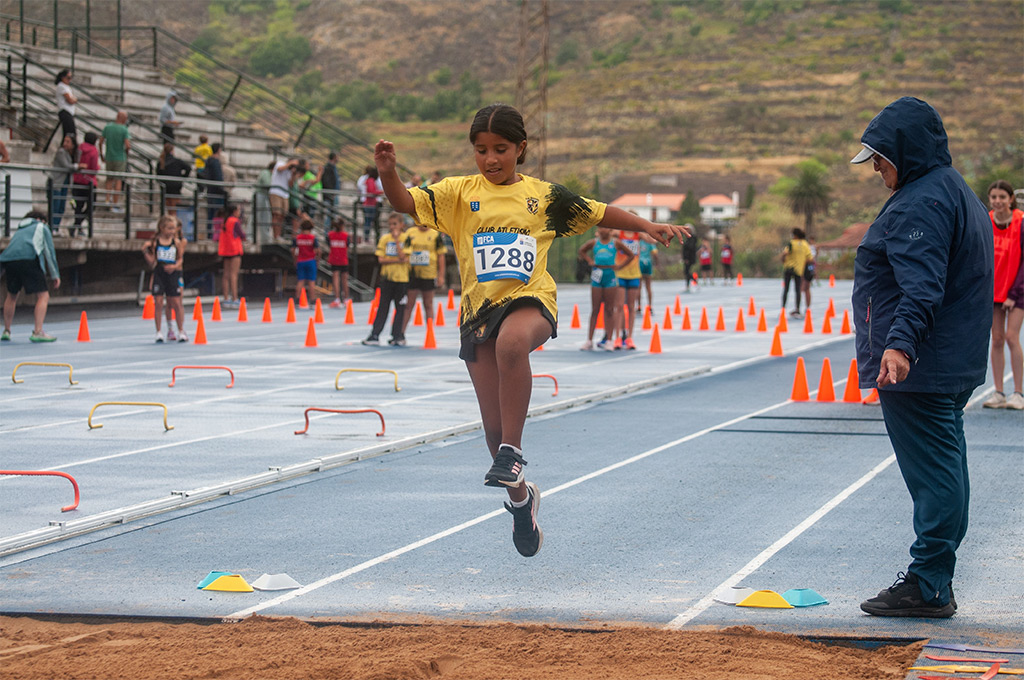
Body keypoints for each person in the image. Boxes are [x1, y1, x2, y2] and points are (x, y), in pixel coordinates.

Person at [373, 103, 688, 557]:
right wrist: (388, 172)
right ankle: (522, 502)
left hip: (531, 301)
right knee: (491, 429)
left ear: (521, 148)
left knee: (513, 342)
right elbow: (405, 202)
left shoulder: (544, 197)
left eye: (500, 149)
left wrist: (647, 225)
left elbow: (599, 213)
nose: (490, 159)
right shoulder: (459, 194)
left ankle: (513, 452)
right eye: (481, 150)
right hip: (479, 312)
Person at [850, 97, 992, 618]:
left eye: (881, 161)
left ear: (903, 153)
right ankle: (934, 575)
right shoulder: (955, 191)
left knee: (935, 475)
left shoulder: (920, 202)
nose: (877, 173)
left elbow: (922, 286)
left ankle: (930, 583)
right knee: (948, 466)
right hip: (950, 360)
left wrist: (899, 343)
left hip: (922, 365)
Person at [982, 180, 1024, 410]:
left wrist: (1014, 293)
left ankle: (1018, 393)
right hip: (994, 291)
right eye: (994, 197)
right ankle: (999, 392)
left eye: (1002, 197)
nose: (998, 201)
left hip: (1019, 290)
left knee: (1011, 337)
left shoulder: (1021, 222)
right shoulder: (986, 221)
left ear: (1010, 199)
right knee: (996, 339)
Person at [1, 211, 61, 342]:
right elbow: (49, 252)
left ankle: (6, 330)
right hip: (29, 259)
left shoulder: (20, 230)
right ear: (40, 219)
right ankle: (38, 331)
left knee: (11, 295)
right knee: (43, 296)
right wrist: (55, 274)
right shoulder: (42, 227)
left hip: (9, 261)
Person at [578, 225, 635, 351]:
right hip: (597, 274)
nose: (602, 230)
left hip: (610, 275)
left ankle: (609, 339)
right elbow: (581, 250)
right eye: (600, 228)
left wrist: (619, 266)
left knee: (610, 309)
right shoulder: (594, 242)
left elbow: (630, 254)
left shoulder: (615, 243)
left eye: (604, 228)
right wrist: (589, 260)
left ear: (610, 230)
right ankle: (589, 340)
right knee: (595, 309)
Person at [362, 213, 411, 346]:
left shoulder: (406, 238)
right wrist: (396, 260)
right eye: (390, 224)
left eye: (395, 224)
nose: (392, 227)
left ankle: (397, 336)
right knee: (383, 307)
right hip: (387, 279)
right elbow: (381, 259)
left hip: (401, 279)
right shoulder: (384, 239)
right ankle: (375, 335)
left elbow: (404, 257)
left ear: (401, 225)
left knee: (400, 308)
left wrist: (396, 241)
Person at [142, 214, 188, 343]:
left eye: (173, 229)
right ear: (162, 228)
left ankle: (181, 330)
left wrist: (174, 266)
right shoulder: (155, 242)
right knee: (158, 302)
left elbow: (180, 259)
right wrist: (145, 252)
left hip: (172, 274)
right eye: (169, 228)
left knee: (176, 302)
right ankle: (158, 332)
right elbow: (152, 262)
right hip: (160, 273)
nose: (172, 232)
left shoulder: (176, 242)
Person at [400, 220, 447, 336]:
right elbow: (404, 251)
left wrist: (441, 275)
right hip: (412, 274)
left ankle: (430, 332)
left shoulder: (435, 234)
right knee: (409, 304)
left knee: (428, 304)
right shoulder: (410, 233)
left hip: (428, 274)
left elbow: (441, 256)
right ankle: (400, 333)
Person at [612, 227, 642, 349]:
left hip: (634, 274)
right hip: (620, 274)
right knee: (619, 306)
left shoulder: (638, 234)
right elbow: (606, 231)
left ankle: (629, 337)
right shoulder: (619, 233)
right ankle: (618, 337)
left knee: (631, 307)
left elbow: (651, 239)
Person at [99, 110, 131, 212]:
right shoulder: (124, 129)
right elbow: (127, 145)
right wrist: (126, 153)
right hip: (119, 157)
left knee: (109, 179)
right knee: (118, 180)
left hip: (109, 156)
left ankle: (107, 200)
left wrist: (101, 154)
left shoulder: (108, 127)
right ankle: (115, 203)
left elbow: (100, 142)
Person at [71, 131, 100, 237]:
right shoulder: (94, 151)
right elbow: (93, 167)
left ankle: (77, 226)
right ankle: (77, 224)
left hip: (77, 179)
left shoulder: (79, 148)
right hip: (88, 181)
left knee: (78, 205)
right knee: (91, 205)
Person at [218, 202, 245, 308]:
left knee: (226, 274)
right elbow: (241, 234)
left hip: (226, 249)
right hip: (234, 249)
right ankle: (234, 297)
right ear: (234, 211)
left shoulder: (225, 221)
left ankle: (226, 298)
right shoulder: (235, 221)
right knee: (234, 274)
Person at [780, 227, 811, 318]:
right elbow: (810, 258)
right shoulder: (805, 244)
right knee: (797, 290)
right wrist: (801, 262)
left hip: (789, 268)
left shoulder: (791, 243)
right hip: (798, 269)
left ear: (795, 235)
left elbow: (785, 253)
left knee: (786, 289)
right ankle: (797, 309)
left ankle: (783, 308)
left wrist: (783, 259)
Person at [49, 134, 76, 232]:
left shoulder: (69, 154)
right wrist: (78, 166)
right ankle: (53, 228)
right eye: (64, 141)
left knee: (61, 207)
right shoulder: (61, 152)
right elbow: (66, 166)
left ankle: (56, 227)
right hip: (57, 183)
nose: (65, 144)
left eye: (68, 142)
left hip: (64, 184)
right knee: (55, 206)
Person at [270, 158, 301, 241]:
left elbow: (290, 184)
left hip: (285, 194)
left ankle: (279, 235)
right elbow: (280, 169)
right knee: (277, 214)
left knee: (282, 215)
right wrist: (289, 164)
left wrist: (294, 174)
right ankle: (275, 236)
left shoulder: (290, 171)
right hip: (276, 192)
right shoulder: (280, 163)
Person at [156, 142, 191, 210]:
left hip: (165, 187)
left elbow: (158, 175)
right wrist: (183, 177)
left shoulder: (161, 162)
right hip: (176, 187)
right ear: (172, 151)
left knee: (168, 206)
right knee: (174, 208)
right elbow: (188, 168)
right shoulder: (177, 161)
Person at [293, 218, 318, 307]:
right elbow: (317, 250)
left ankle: (297, 299)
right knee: (311, 281)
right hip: (310, 260)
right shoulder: (313, 238)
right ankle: (312, 300)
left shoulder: (298, 238)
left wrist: (295, 259)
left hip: (301, 260)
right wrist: (317, 260)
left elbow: (293, 249)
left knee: (300, 281)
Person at [326, 216, 350, 308]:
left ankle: (337, 299)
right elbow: (347, 247)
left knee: (335, 279)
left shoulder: (330, 235)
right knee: (345, 279)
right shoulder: (345, 236)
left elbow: (329, 245)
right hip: (343, 259)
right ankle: (346, 299)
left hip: (334, 259)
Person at [203, 143, 226, 238]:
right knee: (217, 214)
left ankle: (210, 234)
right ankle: (216, 235)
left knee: (210, 214)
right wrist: (223, 190)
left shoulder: (208, 161)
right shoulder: (215, 162)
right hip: (216, 192)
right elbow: (218, 178)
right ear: (219, 150)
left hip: (210, 190)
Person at [54, 68, 77, 142]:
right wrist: (74, 99)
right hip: (65, 111)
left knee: (69, 133)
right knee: (70, 134)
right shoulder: (61, 86)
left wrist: (73, 99)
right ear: (63, 77)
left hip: (69, 112)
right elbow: (70, 100)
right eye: (68, 78)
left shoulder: (66, 87)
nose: (69, 80)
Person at [362, 166, 382, 242]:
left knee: (369, 221)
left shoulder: (370, 180)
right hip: (370, 204)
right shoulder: (371, 180)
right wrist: (380, 192)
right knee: (369, 221)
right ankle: (367, 238)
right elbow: (371, 191)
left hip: (370, 204)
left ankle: (369, 237)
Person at [639, 237, 659, 311]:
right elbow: (655, 253)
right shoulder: (650, 241)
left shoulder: (638, 241)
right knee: (648, 286)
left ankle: (639, 306)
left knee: (639, 286)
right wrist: (657, 264)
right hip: (648, 263)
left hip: (639, 263)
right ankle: (650, 305)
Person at [802, 235, 817, 311]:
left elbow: (812, 259)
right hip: (801, 267)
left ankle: (807, 307)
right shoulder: (803, 246)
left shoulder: (812, 248)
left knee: (806, 287)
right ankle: (798, 307)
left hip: (808, 268)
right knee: (802, 288)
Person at [682, 227, 698, 292]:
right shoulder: (686, 239)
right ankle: (688, 285)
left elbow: (690, 248)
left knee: (687, 271)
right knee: (686, 271)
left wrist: (687, 258)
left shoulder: (693, 238)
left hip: (690, 257)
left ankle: (694, 280)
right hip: (686, 258)